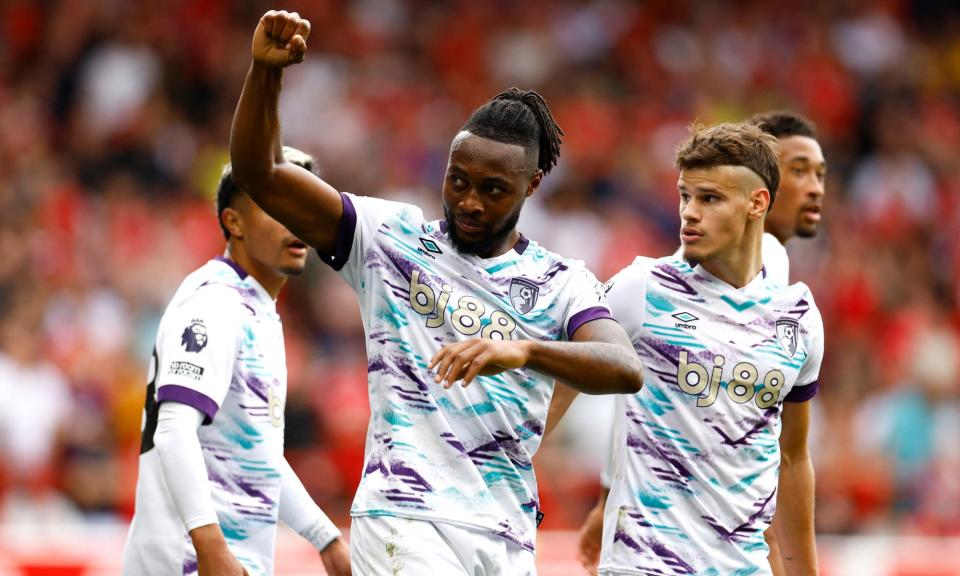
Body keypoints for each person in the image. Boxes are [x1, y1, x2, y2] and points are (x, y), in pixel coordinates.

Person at [228, 10, 644, 576]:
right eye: (458, 180)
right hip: (405, 517)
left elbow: (623, 366)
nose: (470, 202)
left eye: (493, 190)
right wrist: (264, 73)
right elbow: (262, 174)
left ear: (533, 185)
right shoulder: (387, 238)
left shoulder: (562, 283)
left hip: (506, 532)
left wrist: (523, 351)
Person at [566, 111, 827, 575]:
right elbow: (568, 375)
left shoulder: (798, 315)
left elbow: (790, 454)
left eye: (708, 198)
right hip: (644, 563)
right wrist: (607, 493)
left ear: (756, 203)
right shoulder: (643, 288)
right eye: (685, 196)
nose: (688, 211)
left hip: (741, 565)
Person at [121, 148, 351, 576]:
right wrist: (210, 548)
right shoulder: (214, 303)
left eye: (303, 206)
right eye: (276, 207)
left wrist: (326, 537)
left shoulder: (255, 309)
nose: (296, 220)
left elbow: (255, 450)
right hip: (188, 562)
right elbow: (173, 430)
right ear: (234, 221)